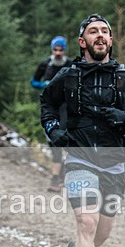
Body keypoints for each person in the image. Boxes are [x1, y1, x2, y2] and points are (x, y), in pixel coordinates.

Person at [41, 15, 125, 247]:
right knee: (87, 223)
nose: (100, 36)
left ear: (111, 41)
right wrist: (55, 132)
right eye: (93, 32)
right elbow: (47, 104)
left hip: (113, 162)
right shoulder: (68, 77)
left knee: (102, 232)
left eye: (105, 32)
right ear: (82, 42)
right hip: (80, 157)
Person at [32, 36, 70, 191]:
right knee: (53, 144)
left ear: (65, 50)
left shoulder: (70, 64)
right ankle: (57, 179)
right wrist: (44, 84)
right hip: (49, 108)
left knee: (66, 143)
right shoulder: (45, 64)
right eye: (56, 49)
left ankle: (61, 178)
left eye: (61, 50)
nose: (58, 52)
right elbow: (33, 82)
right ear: (52, 49)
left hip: (67, 110)